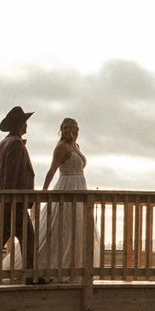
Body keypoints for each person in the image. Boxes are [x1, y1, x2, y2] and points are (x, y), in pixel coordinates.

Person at [0, 105, 36, 272]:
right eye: (25, 122)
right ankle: (30, 275)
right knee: (27, 238)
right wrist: (12, 199)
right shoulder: (15, 144)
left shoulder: (5, 142)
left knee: (1, 238)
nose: (27, 125)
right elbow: (11, 174)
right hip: (15, 201)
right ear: (20, 125)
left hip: (8, 200)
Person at [39, 117, 94, 274]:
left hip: (80, 187)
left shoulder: (76, 146)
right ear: (61, 130)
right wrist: (43, 192)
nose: (69, 131)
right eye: (66, 128)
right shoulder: (61, 147)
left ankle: (74, 266)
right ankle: (53, 267)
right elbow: (52, 169)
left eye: (72, 128)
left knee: (77, 228)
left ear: (77, 130)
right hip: (67, 187)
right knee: (62, 227)